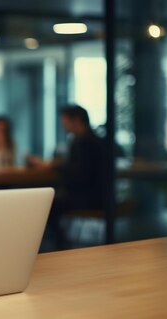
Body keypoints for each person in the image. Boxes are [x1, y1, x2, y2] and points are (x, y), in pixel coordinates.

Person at [28, 105, 106, 247]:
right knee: (51, 200)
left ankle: (58, 246)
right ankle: (58, 244)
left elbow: (81, 174)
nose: (63, 124)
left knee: (47, 204)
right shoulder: (89, 140)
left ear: (76, 120)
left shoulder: (84, 142)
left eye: (65, 121)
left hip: (89, 197)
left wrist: (56, 166)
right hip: (95, 195)